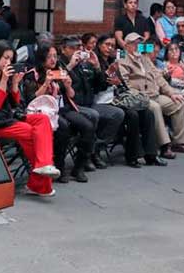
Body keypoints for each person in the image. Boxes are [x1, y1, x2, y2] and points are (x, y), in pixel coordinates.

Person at [0, 41, 60, 197]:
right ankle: (40, 181)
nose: (8, 62)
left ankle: (44, 165)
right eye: (5, 58)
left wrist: (14, 84)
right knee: (32, 133)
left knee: (42, 120)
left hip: (8, 118)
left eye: (11, 59)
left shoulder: (2, 75)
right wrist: (4, 80)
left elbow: (16, 103)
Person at [25, 44, 97, 182]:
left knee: (88, 126)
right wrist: (46, 83)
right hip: (45, 111)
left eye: (54, 56)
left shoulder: (59, 71)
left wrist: (68, 86)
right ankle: (60, 166)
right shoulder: (33, 74)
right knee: (63, 128)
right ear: (41, 58)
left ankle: (79, 167)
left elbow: (71, 95)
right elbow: (31, 99)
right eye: (49, 57)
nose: (53, 60)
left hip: (63, 108)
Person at [117, 33, 184, 157]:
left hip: (154, 94)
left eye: (139, 43)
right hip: (140, 97)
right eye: (134, 43)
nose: (137, 46)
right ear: (126, 46)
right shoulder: (122, 60)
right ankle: (164, 146)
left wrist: (172, 93)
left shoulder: (144, 58)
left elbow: (159, 78)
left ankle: (180, 142)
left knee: (179, 103)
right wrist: (139, 95)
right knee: (155, 108)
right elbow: (125, 84)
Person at [94, 33, 161, 166]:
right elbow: (97, 85)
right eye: (107, 45)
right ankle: (132, 156)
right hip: (102, 100)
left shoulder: (114, 60)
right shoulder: (95, 62)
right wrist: (108, 78)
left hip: (117, 98)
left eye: (112, 45)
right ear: (99, 46)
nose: (110, 48)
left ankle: (151, 155)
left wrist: (118, 83)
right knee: (132, 115)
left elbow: (122, 83)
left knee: (147, 113)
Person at [60, 36, 122, 166]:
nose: (76, 51)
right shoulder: (61, 64)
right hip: (71, 106)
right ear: (63, 49)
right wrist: (70, 66)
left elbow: (100, 85)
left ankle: (97, 147)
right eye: (72, 48)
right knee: (93, 115)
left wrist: (97, 67)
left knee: (118, 113)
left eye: (79, 48)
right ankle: (87, 156)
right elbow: (59, 85)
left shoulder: (85, 64)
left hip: (89, 103)